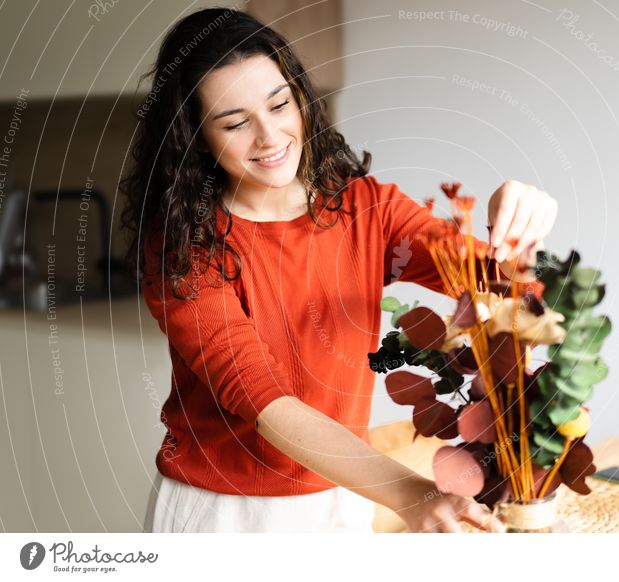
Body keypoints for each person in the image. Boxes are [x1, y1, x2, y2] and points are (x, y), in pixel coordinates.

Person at [121, 8, 557, 533]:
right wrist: (410, 494)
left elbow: (499, 286)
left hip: (347, 495)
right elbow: (264, 400)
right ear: (195, 138)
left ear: (300, 96)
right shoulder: (182, 248)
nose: (269, 135)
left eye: (280, 104)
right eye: (235, 123)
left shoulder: (365, 208)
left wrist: (515, 231)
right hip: (224, 512)